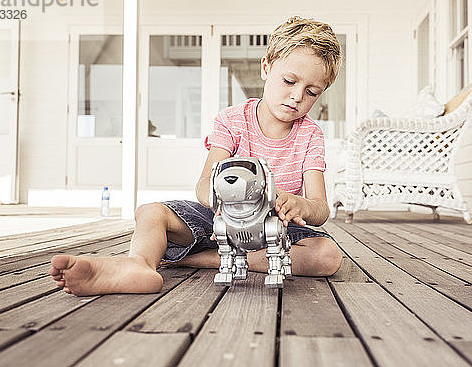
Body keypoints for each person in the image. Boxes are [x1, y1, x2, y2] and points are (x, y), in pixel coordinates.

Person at [50, 16, 343, 295]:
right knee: (150, 212)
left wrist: (301, 205)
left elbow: (321, 208)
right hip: (223, 220)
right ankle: (137, 266)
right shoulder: (232, 120)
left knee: (327, 256)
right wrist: (222, 203)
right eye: (289, 81)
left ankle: (196, 259)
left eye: (312, 92)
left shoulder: (310, 134)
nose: (297, 96)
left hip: (276, 231)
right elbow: (204, 184)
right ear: (266, 67)